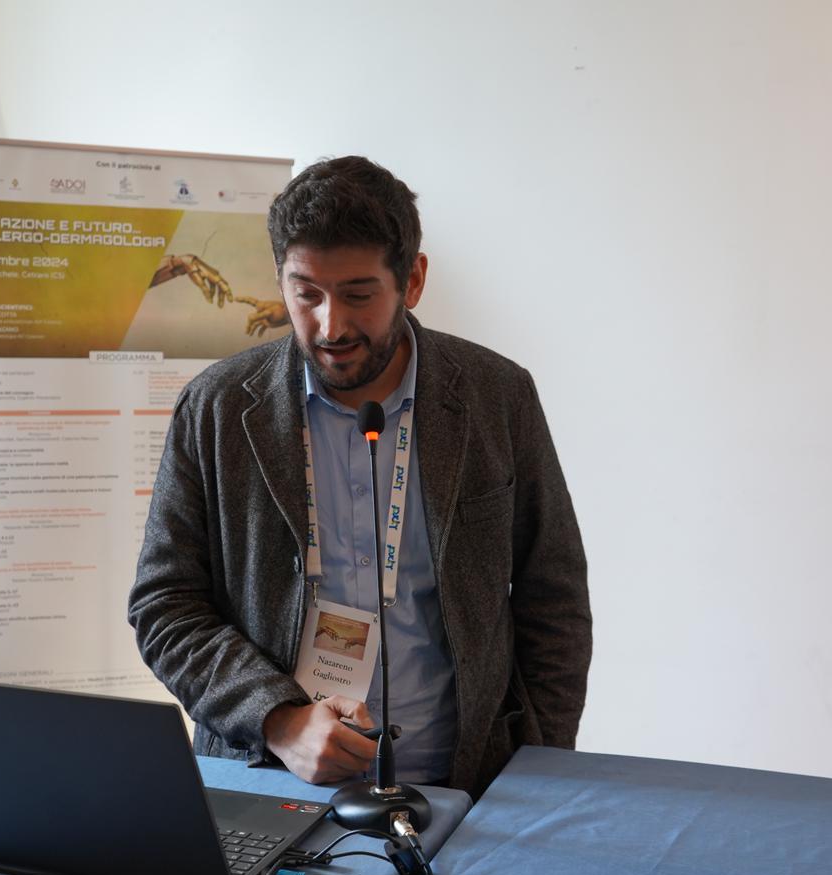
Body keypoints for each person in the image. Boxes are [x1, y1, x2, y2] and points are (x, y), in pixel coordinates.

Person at [128, 156, 591, 798]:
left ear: (413, 280)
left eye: (358, 295)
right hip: (269, 782)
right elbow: (164, 605)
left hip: (469, 790)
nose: (331, 325)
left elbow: (553, 595)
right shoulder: (218, 408)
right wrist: (277, 719)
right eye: (306, 294)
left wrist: (541, 768)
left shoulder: (497, 397)